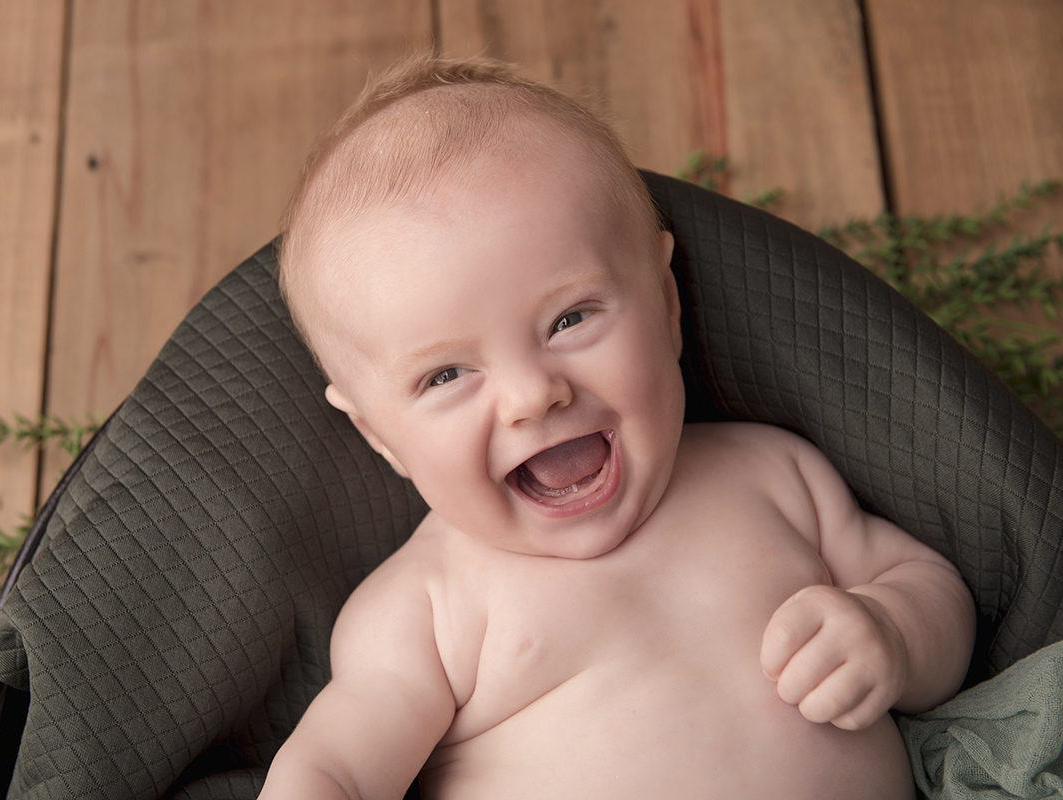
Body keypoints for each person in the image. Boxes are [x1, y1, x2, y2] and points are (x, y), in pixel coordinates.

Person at [258, 55, 975, 799]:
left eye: (569, 319)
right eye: (445, 375)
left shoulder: (770, 475)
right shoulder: (426, 608)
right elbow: (333, 770)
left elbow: (935, 590)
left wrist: (891, 630)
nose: (532, 396)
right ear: (378, 434)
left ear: (666, 302)